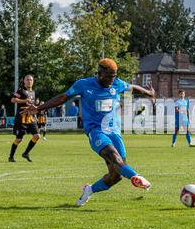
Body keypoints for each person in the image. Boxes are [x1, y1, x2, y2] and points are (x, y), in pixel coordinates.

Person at [21, 58, 155, 207]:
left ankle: (89, 190)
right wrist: (39, 108)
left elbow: (132, 87)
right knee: (115, 158)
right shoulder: (83, 84)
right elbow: (63, 97)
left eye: (114, 76)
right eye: (109, 76)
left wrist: (149, 92)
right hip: (96, 131)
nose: (112, 80)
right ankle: (136, 177)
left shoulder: (117, 83)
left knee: (115, 176)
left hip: (114, 132)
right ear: (100, 73)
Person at [9, 74, 40, 162]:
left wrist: (35, 113)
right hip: (21, 118)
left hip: (31, 118)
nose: (29, 81)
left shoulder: (33, 92)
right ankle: (11, 156)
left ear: (33, 81)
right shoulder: (20, 91)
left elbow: (32, 106)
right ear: (24, 81)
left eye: (31, 80)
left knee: (37, 136)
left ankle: (26, 153)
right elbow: (13, 100)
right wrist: (24, 100)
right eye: (27, 80)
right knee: (19, 139)